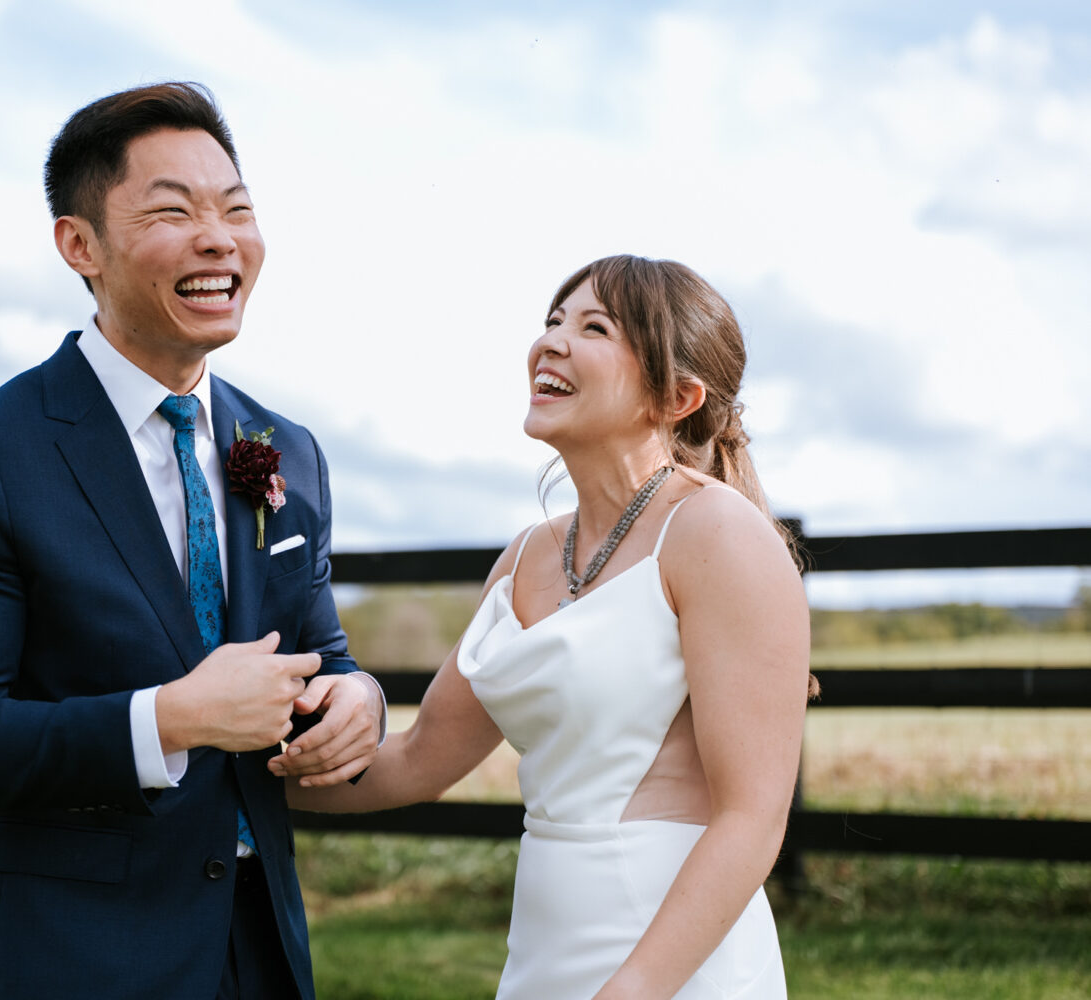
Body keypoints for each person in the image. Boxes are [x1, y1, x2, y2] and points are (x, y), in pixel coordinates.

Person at [0, 81, 385, 1000]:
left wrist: (360, 699)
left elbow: (322, 658)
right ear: (81, 245)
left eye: (237, 209)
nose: (220, 238)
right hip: (66, 959)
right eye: (173, 211)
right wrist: (175, 718)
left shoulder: (282, 452)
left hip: (257, 952)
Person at [280, 255, 812, 999]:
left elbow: (751, 819)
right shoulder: (528, 554)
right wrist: (224, 777)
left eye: (593, 327)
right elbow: (417, 759)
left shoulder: (719, 536)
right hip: (543, 953)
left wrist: (632, 991)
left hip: (677, 962)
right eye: (553, 321)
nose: (552, 342)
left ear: (678, 395)